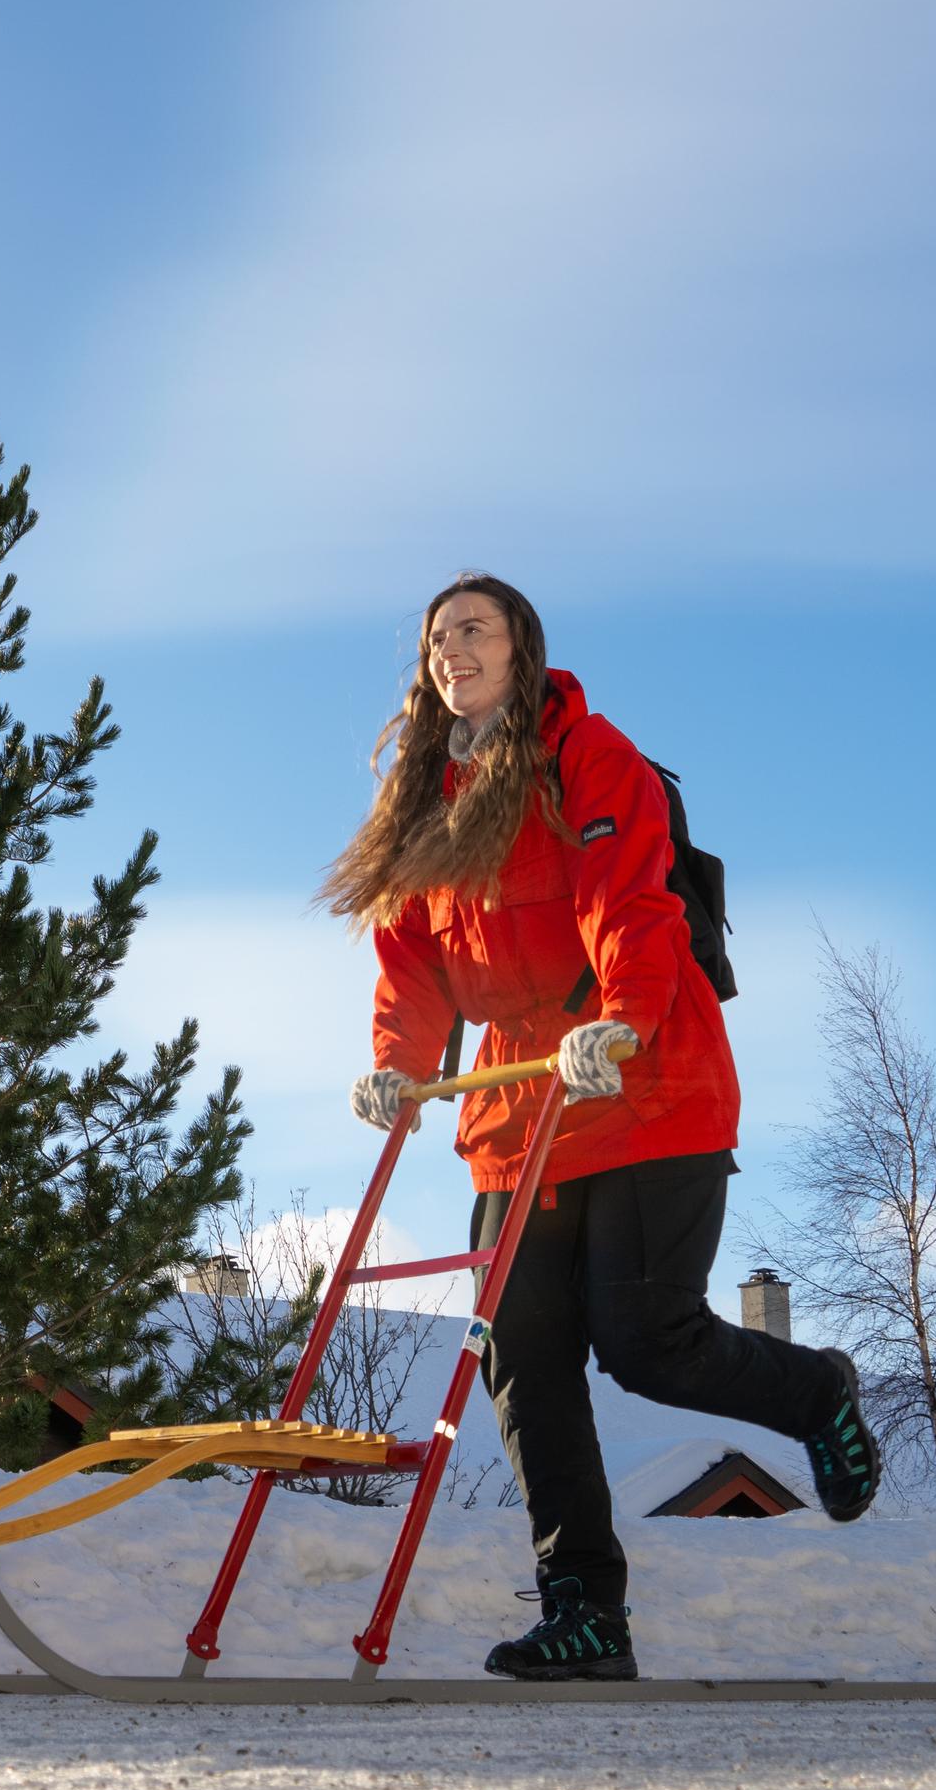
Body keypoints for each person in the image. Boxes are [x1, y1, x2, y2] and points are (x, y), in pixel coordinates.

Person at [322, 573, 880, 1680]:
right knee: (521, 1361)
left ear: (522, 649)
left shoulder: (587, 755)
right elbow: (414, 955)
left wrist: (619, 1016)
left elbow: (629, 901)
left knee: (643, 1340)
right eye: (437, 638)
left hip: (643, 1080)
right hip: (515, 1101)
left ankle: (817, 1390)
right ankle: (586, 1610)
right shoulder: (428, 798)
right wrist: (395, 1066)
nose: (451, 651)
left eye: (473, 630)